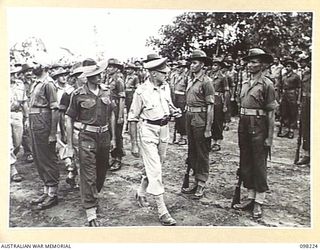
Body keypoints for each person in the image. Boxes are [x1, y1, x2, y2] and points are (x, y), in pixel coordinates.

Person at [128, 57, 181, 226]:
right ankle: (162, 210)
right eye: (163, 72)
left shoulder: (166, 87)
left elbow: (169, 106)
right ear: (153, 73)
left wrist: (175, 112)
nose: (167, 74)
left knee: (157, 165)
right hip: (148, 131)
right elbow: (132, 117)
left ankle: (141, 191)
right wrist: (134, 143)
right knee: (156, 169)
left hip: (164, 130)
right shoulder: (141, 91)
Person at [65, 61, 116, 226]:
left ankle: (93, 194)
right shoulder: (78, 94)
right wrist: (70, 146)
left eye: (101, 73)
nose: (100, 75)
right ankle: (90, 210)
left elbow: (112, 115)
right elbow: (69, 117)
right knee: (88, 174)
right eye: (96, 74)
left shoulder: (107, 92)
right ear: (87, 77)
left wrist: (114, 137)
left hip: (105, 137)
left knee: (102, 170)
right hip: (86, 137)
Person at [233, 48, 277, 219]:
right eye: (249, 62)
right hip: (244, 124)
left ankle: (259, 201)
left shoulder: (267, 84)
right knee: (246, 161)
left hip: (259, 125)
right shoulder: (245, 82)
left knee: (259, 163)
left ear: (262, 64)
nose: (250, 65)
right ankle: (250, 198)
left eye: (254, 62)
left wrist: (269, 137)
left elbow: (271, 113)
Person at [181, 49, 214, 200]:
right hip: (190, 116)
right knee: (192, 150)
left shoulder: (206, 82)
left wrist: (208, 128)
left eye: (194, 63)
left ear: (202, 64)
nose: (191, 66)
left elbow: (210, 106)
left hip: (200, 118)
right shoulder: (190, 79)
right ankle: (195, 180)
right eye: (191, 63)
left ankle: (201, 182)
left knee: (202, 152)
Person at [29, 59, 60, 210]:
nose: (32, 67)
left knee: (47, 157)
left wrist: (53, 133)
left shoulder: (49, 84)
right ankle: (46, 191)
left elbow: (55, 109)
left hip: (43, 122)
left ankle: (53, 194)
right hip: (35, 121)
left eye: (36, 64)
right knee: (38, 156)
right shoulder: (37, 82)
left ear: (44, 66)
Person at [10, 66, 29, 182]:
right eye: (10, 74)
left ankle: (9, 160)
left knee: (18, 143)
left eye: (14, 74)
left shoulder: (20, 85)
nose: (12, 76)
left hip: (17, 114)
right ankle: (13, 170)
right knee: (8, 144)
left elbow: (24, 102)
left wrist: (26, 117)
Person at [106, 58, 126, 172]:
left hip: (116, 108)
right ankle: (112, 157)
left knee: (117, 133)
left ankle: (118, 158)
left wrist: (120, 115)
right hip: (108, 107)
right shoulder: (108, 79)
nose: (109, 69)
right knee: (109, 132)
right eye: (108, 66)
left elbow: (122, 98)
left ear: (117, 68)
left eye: (112, 67)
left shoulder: (119, 80)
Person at [209, 57, 228, 152]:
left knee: (218, 121)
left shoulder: (223, 77)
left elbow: (226, 91)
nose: (213, 67)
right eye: (213, 65)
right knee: (210, 120)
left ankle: (218, 142)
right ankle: (212, 140)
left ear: (219, 67)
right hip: (210, 100)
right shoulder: (209, 76)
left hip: (218, 100)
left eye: (216, 65)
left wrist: (225, 104)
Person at [277, 58, 301, 139]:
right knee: (284, 112)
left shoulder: (296, 76)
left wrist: (298, 99)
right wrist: (280, 97)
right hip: (285, 95)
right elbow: (280, 86)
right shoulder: (283, 76)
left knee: (293, 112)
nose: (287, 68)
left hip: (292, 95)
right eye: (286, 66)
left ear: (292, 67)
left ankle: (291, 131)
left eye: (289, 66)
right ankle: (286, 130)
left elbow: (299, 87)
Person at [296, 54, 311, 165]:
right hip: (307, 101)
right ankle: (307, 154)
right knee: (305, 128)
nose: (302, 63)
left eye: (304, 61)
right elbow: (302, 90)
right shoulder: (305, 74)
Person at [172, 60, 188, 145]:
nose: (179, 69)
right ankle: (179, 136)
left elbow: (188, 90)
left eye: (181, 67)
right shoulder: (175, 75)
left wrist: (186, 102)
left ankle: (184, 137)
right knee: (177, 117)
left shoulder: (187, 77)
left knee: (182, 118)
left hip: (183, 98)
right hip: (176, 97)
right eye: (178, 67)